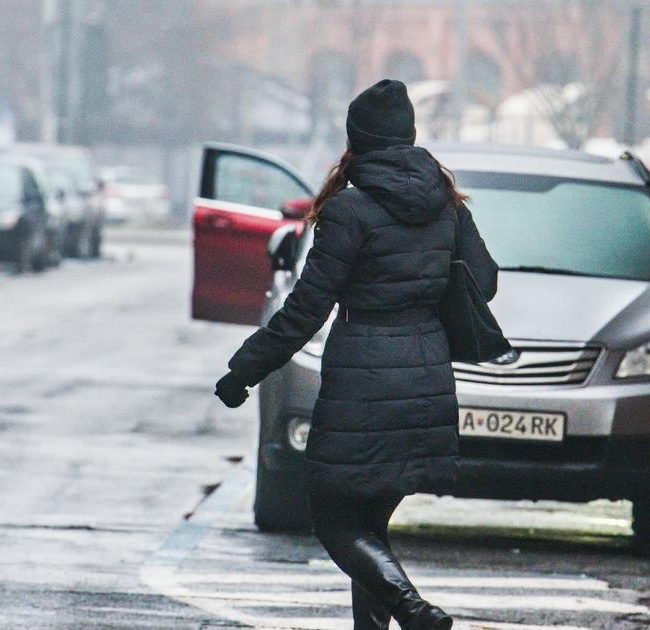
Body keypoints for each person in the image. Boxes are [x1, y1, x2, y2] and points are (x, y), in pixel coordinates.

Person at [213, 79, 498, 630]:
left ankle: (414, 612)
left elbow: (304, 310)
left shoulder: (350, 210)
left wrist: (241, 372)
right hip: (426, 378)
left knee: (335, 520)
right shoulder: (446, 204)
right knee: (371, 524)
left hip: (362, 384)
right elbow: (483, 283)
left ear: (358, 141)